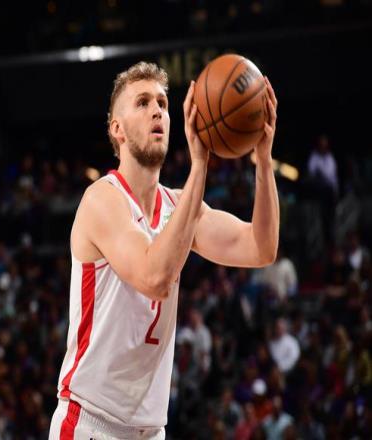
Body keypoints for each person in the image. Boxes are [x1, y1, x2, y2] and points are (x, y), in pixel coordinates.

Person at [49, 61, 279, 439]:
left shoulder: (179, 206)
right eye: (142, 103)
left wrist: (264, 161)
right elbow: (154, 277)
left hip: (150, 429)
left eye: (162, 103)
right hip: (91, 422)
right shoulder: (102, 200)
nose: (157, 111)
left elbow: (261, 247)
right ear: (117, 129)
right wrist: (200, 165)